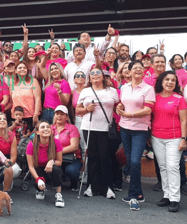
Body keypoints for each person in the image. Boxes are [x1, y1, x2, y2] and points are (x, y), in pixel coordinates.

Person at [116, 61, 155, 211]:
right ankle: (138, 193)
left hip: (140, 129)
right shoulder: (124, 87)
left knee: (135, 162)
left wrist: (128, 114)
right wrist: (120, 107)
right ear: (130, 71)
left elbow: (147, 110)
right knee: (130, 161)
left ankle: (133, 196)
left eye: (141, 68)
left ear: (144, 72)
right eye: (135, 68)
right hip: (125, 128)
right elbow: (122, 103)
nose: (138, 70)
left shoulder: (148, 88)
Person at [77, 68, 119, 199]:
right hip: (89, 127)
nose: (95, 75)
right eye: (92, 74)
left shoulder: (111, 91)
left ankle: (107, 187)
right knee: (93, 157)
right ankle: (91, 186)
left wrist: (121, 108)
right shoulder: (85, 91)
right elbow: (78, 109)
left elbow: (118, 106)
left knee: (105, 157)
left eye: (98, 73)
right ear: (89, 78)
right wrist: (86, 109)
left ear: (103, 77)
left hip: (106, 128)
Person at [150, 71, 187, 213]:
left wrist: (183, 139)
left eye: (173, 80)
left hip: (175, 137)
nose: (170, 82)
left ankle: (174, 199)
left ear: (176, 83)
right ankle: (166, 195)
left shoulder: (179, 99)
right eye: (167, 79)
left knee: (172, 167)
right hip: (156, 137)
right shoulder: (155, 98)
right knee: (163, 167)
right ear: (161, 81)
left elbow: (184, 120)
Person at [26, 120, 64, 207]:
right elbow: (31, 166)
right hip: (39, 169)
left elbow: (60, 162)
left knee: (56, 169)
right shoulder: (31, 145)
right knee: (36, 171)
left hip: (51, 170)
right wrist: (38, 179)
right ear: (37, 132)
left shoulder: (56, 142)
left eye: (48, 127)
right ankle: (40, 189)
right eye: (42, 127)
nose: (46, 129)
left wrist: (51, 161)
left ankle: (58, 194)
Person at [51, 105, 82, 191]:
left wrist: (58, 152)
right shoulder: (50, 128)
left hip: (72, 159)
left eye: (62, 114)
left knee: (71, 171)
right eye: (57, 114)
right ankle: (56, 181)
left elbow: (74, 146)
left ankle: (74, 183)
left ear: (67, 117)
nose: (59, 116)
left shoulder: (72, 128)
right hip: (56, 158)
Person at [10, 62, 41, 131]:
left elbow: (38, 98)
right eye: (20, 68)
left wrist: (36, 114)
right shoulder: (12, 83)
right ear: (15, 70)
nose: (22, 69)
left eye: (24, 68)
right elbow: (11, 100)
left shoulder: (33, 81)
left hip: (30, 116)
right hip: (15, 117)